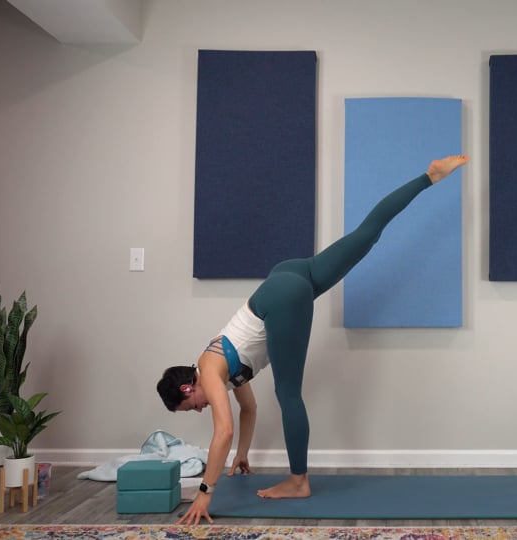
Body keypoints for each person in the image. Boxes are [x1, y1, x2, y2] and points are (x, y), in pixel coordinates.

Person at [157, 155, 469, 525]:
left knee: (289, 394)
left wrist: (205, 492)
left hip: (282, 297)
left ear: (188, 387)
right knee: (366, 234)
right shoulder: (222, 370)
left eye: (191, 406)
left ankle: (298, 481)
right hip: (288, 277)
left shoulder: (209, 370)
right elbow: (248, 409)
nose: (199, 409)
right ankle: (428, 177)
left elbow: (222, 430)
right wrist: (242, 454)